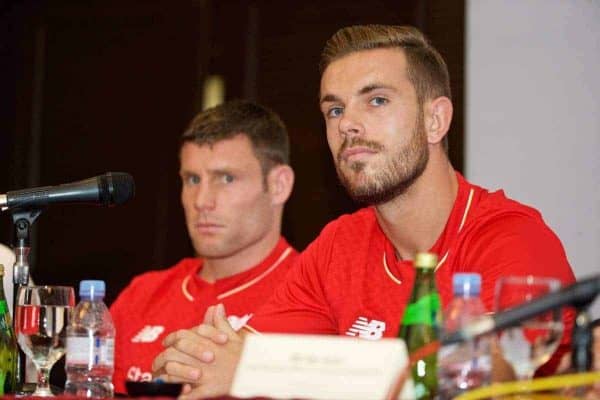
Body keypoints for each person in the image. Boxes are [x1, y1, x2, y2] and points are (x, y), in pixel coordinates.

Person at [151, 25, 577, 398]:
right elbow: (236, 359)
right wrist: (201, 359)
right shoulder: (338, 244)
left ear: (436, 120)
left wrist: (268, 371)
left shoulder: (512, 238)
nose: (347, 124)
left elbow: (471, 381)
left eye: (375, 101)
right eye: (334, 109)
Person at [109, 100, 298, 394]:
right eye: (192, 179)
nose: (201, 201)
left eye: (226, 178)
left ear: (278, 185)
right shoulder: (141, 295)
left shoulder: (313, 293)